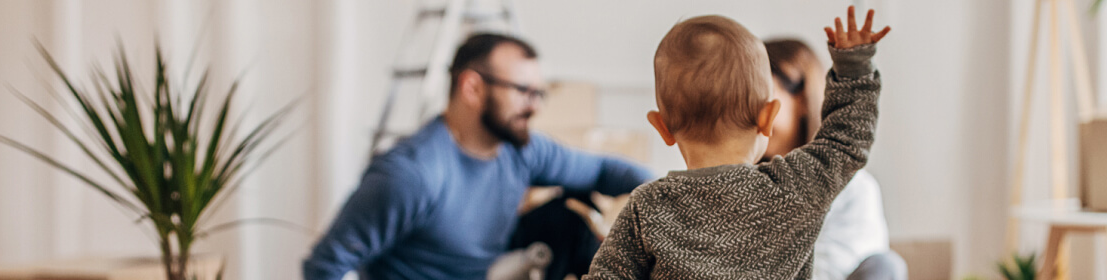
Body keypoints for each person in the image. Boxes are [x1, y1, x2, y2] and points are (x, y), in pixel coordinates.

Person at [302, 33, 657, 280]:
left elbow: (602, 170)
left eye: (538, 94)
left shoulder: (520, 149)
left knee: (569, 220)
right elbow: (325, 266)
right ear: (471, 87)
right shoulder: (412, 174)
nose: (533, 107)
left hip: (489, 271)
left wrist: (668, 197)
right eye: (522, 91)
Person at [585, 6, 889, 279]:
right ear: (768, 118)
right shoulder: (793, 187)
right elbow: (845, 141)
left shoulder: (647, 205)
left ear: (662, 127)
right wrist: (853, 68)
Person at [764, 38, 906, 280]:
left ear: (801, 99)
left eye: (763, 93)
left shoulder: (856, 189)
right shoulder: (742, 187)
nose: (749, 112)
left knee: (886, 266)